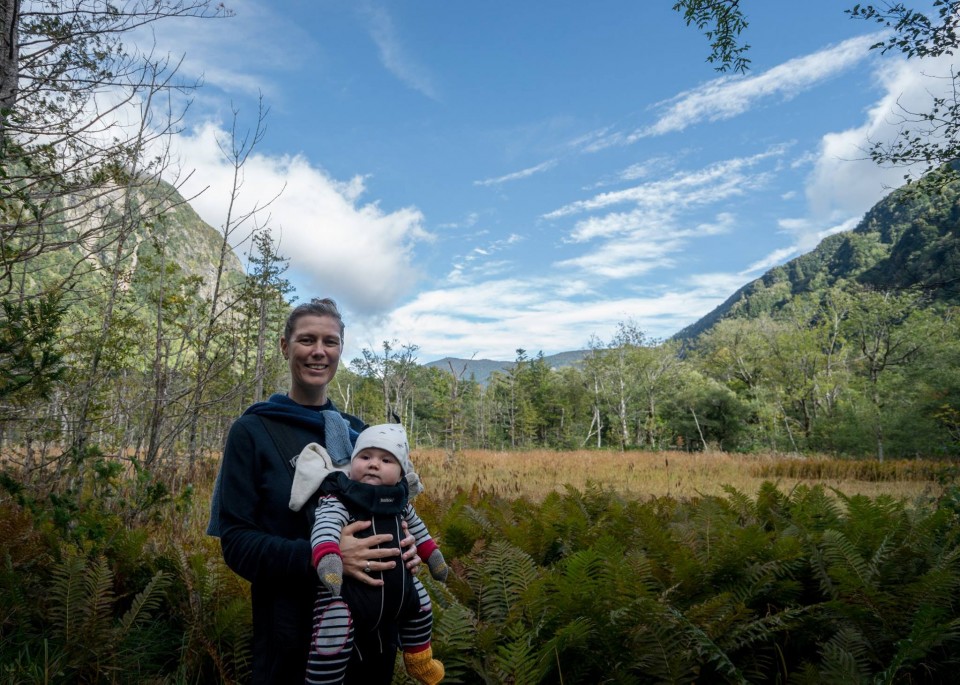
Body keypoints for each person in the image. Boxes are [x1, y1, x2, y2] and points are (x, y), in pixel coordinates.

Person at [207, 298, 421, 684]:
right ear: (285, 346)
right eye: (307, 340)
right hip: (292, 640)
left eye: (330, 341)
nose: (319, 351)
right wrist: (323, 557)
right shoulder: (253, 431)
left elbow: (391, 509)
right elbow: (236, 544)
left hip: (373, 642)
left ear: (340, 349)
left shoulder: (360, 435)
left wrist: (405, 547)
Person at [288, 423, 448, 685]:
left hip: (398, 586)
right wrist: (329, 557)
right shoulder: (341, 498)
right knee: (333, 631)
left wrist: (432, 555)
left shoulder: (401, 501)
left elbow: (418, 529)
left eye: (386, 460)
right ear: (352, 464)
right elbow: (325, 527)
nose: (374, 464)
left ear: (401, 473)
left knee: (422, 607)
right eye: (365, 457)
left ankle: (420, 660)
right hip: (347, 590)